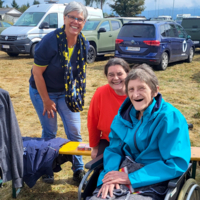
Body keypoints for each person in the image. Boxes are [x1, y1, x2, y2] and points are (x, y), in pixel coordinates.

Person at [94, 64, 191, 200]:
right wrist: (111, 175)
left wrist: (131, 178)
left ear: (154, 90)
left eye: (141, 88)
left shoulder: (170, 118)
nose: (135, 94)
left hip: (154, 177)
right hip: (123, 171)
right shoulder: (121, 118)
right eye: (131, 89)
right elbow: (114, 150)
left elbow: (176, 162)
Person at [29, 1, 89, 184]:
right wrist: (46, 100)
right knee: (50, 131)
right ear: (64, 18)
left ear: (84, 22)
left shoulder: (82, 44)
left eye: (80, 19)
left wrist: (74, 94)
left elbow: (78, 74)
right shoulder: (50, 41)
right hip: (42, 91)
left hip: (65, 92)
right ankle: (47, 168)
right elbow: (37, 73)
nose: (75, 22)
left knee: (74, 131)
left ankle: (78, 169)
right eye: (72, 17)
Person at [87, 58, 130, 159]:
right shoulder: (100, 93)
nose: (115, 78)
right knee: (100, 170)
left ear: (127, 74)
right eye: (111, 75)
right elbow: (92, 120)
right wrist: (95, 147)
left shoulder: (135, 93)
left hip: (132, 143)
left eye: (120, 74)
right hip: (108, 141)